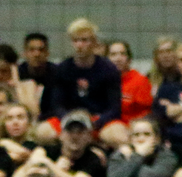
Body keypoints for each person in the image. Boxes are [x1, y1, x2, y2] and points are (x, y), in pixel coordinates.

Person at [40, 18, 124, 149]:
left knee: (120, 137)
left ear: (94, 42)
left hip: (97, 119)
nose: (80, 45)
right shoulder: (62, 69)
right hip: (70, 119)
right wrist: (68, 120)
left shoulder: (108, 69)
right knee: (42, 133)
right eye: (76, 40)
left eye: (84, 40)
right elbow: (56, 105)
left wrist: (96, 122)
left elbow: (115, 108)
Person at [106, 40, 152, 129]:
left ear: (129, 59)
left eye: (122, 54)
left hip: (131, 128)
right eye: (113, 54)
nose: (118, 58)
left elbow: (146, 113)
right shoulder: (102, 81)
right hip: (105, 127)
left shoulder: (140, 81)